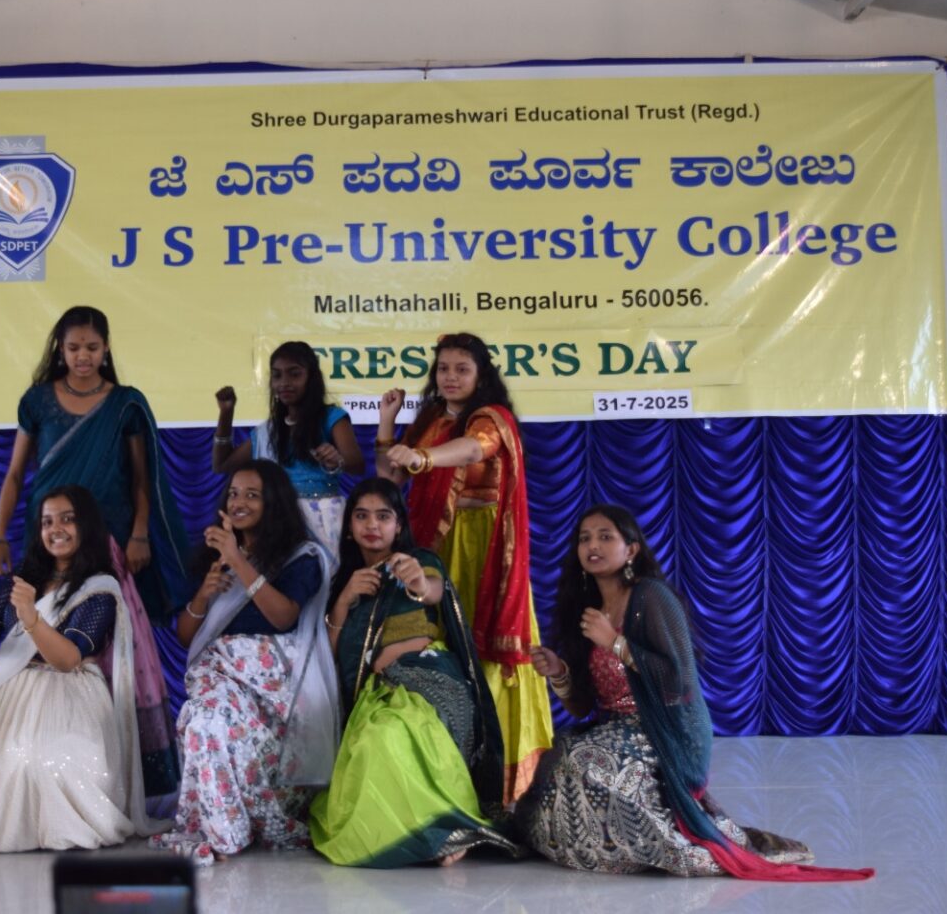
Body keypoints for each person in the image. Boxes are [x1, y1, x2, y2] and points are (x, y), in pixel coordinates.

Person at [515, 504, 874, 881]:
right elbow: (582, 706)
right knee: (560, 752)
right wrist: (559, 673)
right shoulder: (586, 611)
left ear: (631, 549)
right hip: (615, 728)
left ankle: (661, 845)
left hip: (670, 729)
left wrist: (616, 643)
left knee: (584, 759)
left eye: (606, 537)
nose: (593, 545)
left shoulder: (651, 597)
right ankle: (591, 840)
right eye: (585, 538)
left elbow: (678, 680)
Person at [0, 304, 185, 798]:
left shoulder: (126, 404)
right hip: (47, 536)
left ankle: (121, 771)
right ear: (60, 349)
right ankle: (40, 759)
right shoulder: (37, 401)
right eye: (73, 348)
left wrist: (140, 533)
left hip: (106, 541)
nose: (83, 356)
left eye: (92, 348)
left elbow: (141, 479)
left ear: (107, 348)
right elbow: (15, 474)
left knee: (111, 651)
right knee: (38, 633)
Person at [0, 487, 166, 852]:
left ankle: (62, 828)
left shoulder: (99, 588)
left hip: (73, 693)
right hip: (16, 693)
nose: (56, 529)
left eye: (67, 519)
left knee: (51, 761)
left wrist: (31, 617)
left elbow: (67, 659)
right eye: (47, 521)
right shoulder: (24, 578)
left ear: (86, 525)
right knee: (11, 761)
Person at [377, 332, 551, 802]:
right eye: (443, 368)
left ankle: (505, 780)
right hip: (439, 545)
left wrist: (422, 457)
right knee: (442, 642)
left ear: (481, 375)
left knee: (486, 645)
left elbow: (474, 450)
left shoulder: (491, 419)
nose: (450, 377)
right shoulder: (431, 420)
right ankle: (447, 767)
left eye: (461, 369)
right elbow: (389, 476)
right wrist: (388, 423)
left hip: (487, 549)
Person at [308, 479, 516, 867]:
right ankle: (421, 836)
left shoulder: (416, 561)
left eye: (383, 516)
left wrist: (418, 582)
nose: (372, 524)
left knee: (399, 733)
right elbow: (329, 656)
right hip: (378, 693)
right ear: (350, 527)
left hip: (429, 680)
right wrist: (344, 601)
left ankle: (445, 830)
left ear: (398, 525)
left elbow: (434, 589)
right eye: (362, 516)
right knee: (376, 739)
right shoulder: (345, 582)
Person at [150, 461, 337, 866]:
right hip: (221, 677)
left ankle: (227, 829)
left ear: (274, 502)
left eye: (253, 495)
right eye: (234, 493)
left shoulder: (301, 557)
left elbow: (283, 617)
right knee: (203, 721)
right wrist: (204, 594)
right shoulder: (215, 557)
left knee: (208, 722)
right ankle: (223, 831)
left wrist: (238, 560)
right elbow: (187, 636)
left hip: (274, 690)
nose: (239, 502)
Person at [213, 341, 364, 561]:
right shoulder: (270, 430)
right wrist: (226, 413)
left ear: (311, 378)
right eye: (277, 375)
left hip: (323, 520)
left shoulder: (331, 417)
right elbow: (223, 465)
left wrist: (337, 460)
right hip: (277, 520)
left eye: (294, 374)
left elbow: (357, 464)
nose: (284, 382)